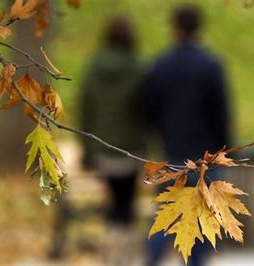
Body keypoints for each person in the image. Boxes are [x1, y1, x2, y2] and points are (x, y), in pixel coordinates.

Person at [142, 4, 231, 266]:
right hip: (207, 157)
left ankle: (152, 260)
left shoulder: (161, 65)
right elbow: (222, 113)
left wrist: (162, 131)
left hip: (173, 153)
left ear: (175, 28)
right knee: (202, 223)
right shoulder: (212, 66)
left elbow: (149, 109)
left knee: (166, 214)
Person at [79, 17, 146, 265]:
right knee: (126, 202)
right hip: (130, 149)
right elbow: (144, 108)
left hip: (102, 148)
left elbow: (86, 110)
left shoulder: (94, 67)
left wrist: (87, 151)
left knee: (114, 201)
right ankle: (123, 253)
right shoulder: (136, 68)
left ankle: (112, 250)